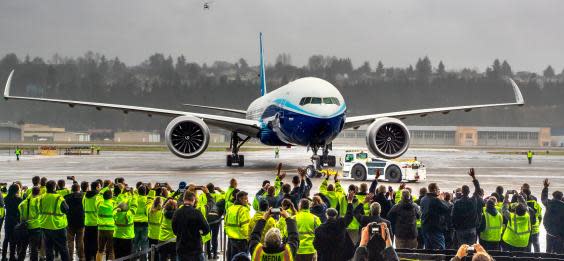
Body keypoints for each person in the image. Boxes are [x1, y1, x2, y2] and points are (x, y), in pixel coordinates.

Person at [313, 195, 355, 261]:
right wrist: (350, 202)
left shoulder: (319, 229)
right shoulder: (341, 223)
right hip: (340, 256)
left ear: (326, 215)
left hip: (325, 257)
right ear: (336, 215)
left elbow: (316, 244)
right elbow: (349, 215)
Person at [172, 191, 210, 260]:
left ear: (184, 199)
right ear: (193, 200)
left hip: (181, 248)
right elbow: (206, 229)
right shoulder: (197, 213)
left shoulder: (177, 212)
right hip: (195, 249)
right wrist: (200, 232)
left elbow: (174, 230)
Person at [39, 180, 70, 261]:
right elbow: (66, 209)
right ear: (55, 187)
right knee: (63, 248)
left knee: (48, 248)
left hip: (45, 225)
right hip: (58, 226)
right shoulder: (59, 198)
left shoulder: (41, 197)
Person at [451, 168, 481, 247]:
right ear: (469, 192)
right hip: (471, 229)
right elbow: (478, 189)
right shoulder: (473, 200)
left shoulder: (457, 203)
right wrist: (473, 177)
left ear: (462, 192)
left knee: (462, 249)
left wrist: (455, 227)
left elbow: (453, 216)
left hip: (461, 229)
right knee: (471, 249)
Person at [420, 183, 450, 250]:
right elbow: (447, 209)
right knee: (440, 250)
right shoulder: (435, 200)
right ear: (435, 190)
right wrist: (442, 200)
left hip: (425, 228)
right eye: (438, 189)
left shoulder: (423, 199)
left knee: (428, 250)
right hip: (434, 229)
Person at [225, 191, 251, 260]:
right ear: (240, 199)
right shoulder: (243, 210)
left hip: (231, 239)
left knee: (232, 258)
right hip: (241, 240)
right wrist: (248, 238)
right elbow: (245, 227)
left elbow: (225, 223)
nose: (247, 201)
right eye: (245, 199)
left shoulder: (230, 209)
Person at [17, 186, 41, 261]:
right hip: (35, 227)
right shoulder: (38, 201)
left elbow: (20, 215)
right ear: (39, 192)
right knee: (34, 249)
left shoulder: (23, 203)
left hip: (24, 227)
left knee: (23, 247)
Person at [541, 178, 564, 253]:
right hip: (560, 235)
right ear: (561, 197)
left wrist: (545, 187)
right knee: (559, 253)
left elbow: (543, 198)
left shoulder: (549, 203)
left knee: (549, 252)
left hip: (550, 233)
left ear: (553, 196)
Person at [64, 183, 85, 261]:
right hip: (81, 222)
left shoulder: (66, 197)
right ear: (79, 189)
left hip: (70, 222)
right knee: (80, 240)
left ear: (71, 189)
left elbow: (64, 209)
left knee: (70, 241)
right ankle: (81, 257)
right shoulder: (83, 196)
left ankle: (70, 257)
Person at [82, 181, 101, 261]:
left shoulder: (85, 196)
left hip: (87, 222)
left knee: (87, 242)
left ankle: (88, 258)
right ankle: (94, 257)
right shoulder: (98, 197)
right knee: (95, 242)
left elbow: (83, 207)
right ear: (97, 187)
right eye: (99, 186)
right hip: (96, 223)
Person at [2, 184, 20, 260]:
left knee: (6, 238)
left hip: (8, 219)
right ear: (16, 190)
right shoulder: (19, 199)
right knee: (13, 239)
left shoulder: (5, 198)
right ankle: (12, 256)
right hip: (15, 220)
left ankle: (3, 256)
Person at [96, 189, 115, 261]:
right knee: (111, 250)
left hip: (101, 229)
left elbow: (98, 196)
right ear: (111, 196)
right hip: (111, 229)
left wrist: (106, 187)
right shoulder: (113, 203)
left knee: (100, 250)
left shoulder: (99, 203)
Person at [132, 185, 150, 261]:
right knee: (144, 243)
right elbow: (147, 211)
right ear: (145, 192)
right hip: (144, 224)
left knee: (134, 242)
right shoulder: (147, 200)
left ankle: (133, 258)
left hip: (135, 223)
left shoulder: (135, 199)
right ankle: (143, 259)